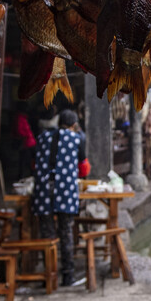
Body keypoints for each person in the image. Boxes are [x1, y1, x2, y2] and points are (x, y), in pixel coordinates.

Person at [32, 109, 87, 286]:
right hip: (65, 190)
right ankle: (68, 277)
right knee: (66, 232)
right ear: (74, 125)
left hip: (43, 189)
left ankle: (48, 277)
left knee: (47, 234)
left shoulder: (42, 137)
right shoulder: (76, 138)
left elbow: (35, 163)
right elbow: (83, 166)